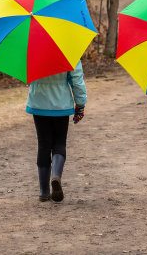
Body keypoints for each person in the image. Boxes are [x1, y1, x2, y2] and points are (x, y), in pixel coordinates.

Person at [26, 60, 87, 202]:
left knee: (43, 145)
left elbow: (27, 75)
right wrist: (80, 104)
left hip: (39, 102)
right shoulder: (70, 52)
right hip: (61, 104)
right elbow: (77, 80)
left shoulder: (32, 49)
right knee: (59, 143)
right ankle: (56, 175)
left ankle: (44, 191)